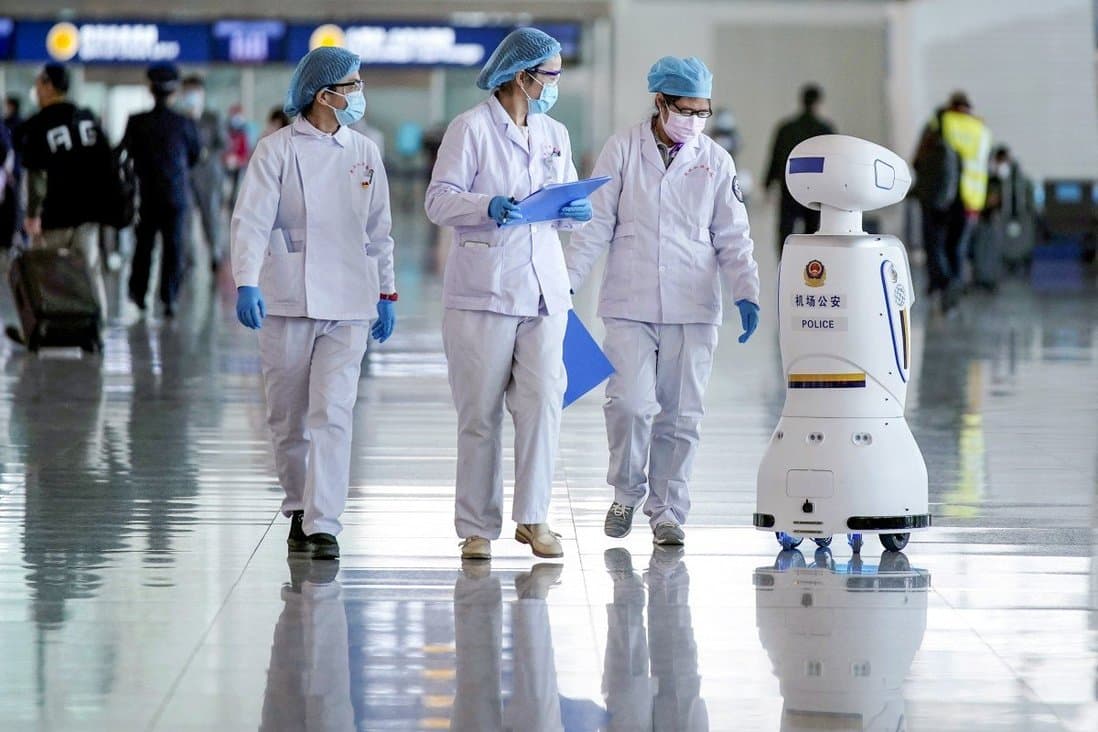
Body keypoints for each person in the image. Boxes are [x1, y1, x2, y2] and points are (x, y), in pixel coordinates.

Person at [565, 56, 760, 546]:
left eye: (702, 112)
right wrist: (563, 282)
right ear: (660, 102)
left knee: (681, 414)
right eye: (684, 110)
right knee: (629, 405)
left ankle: (668, 510)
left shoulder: (715, 161)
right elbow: (595, 226)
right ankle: (625, 493)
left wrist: (747, 292)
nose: (692, 121)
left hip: (693, 308)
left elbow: (733, 236)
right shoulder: (623, 149)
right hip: (629, 303)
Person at [425, 27, 592, 562]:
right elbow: (438, 201)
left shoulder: (554, 133)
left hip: (545, 290)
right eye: (551, 76)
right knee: (479, 413)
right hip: (484, 291)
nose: (555, 85)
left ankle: (534, 519)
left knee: (544, 404)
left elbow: (560, 194)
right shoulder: (470, 129)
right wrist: (486, 205)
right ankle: (476, 527)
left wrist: (574, 210)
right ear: (522, 77)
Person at [231, 46, 397, 562]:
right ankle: (299, 506)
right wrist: (245, 281)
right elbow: (251, 220)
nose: (359, 93)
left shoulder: (365, 151)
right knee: (287, 419)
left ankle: (323, 521)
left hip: (350, 299)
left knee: (334, 411)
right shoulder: (276, 150)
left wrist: (386, 291)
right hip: (287, 297)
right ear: (325, 95)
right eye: (352, 85)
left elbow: (380, 230)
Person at [10, 63, 112, 322]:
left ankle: (50, 325)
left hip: (55, 212)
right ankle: (96, 324)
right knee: (90, 269)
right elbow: (105, 162)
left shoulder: (37, 125)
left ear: (47, 85)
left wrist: (32, 215)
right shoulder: (86, 119)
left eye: (38, 83)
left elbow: (35, 177)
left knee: (47, 270)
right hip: (89, 211)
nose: (36, 88)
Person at [121, 62, 201, 317]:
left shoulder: (137, 122)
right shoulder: (184, 123)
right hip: (175, 194)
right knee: (173, 247)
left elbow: (126, 153)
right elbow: (195, 155)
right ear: (174, 90)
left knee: (144, 245)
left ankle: (138, 293)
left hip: (147, 194)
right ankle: (169, 298)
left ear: (150, 89)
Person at [913, 91, 991, 309]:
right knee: (958, 247)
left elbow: (919, 158)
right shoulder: (981, 129)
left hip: (942, 196)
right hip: (971, 198)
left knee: (935, 243)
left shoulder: (941, 122)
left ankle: (943, 283)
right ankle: (954, 284)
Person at [764, 84, 835, 250]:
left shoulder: (786, 128)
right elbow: (832, 163)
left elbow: (775, 157)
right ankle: (808, 266)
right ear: (819, 103)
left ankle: (785, 263)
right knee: (812, 232)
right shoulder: (825, 129)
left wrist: (768, 183)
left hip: (789, 187)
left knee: (785, 231)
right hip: (815, 190)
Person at [179, 75, 228, 273]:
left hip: (208, 176)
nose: (191, 97)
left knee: (211, 217)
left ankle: (215, 253)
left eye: (195, 92)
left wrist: (207, 152)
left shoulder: (212, 118)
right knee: (186, 219)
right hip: (185, 176)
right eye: (188, 92)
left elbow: (223, 143)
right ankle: (188, 259)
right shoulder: (179, 120)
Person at [2, 95, 24, 250]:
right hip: (15, 171)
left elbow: (6, 149)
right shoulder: (10, 124)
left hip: (12, 172)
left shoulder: (8, 124)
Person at [225, 105, 252, 207]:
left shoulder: (246, 130)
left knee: (238, 194)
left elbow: (247, 151)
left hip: (240, 166)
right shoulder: (226, 129)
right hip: (227, 167)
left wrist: (239, 160)